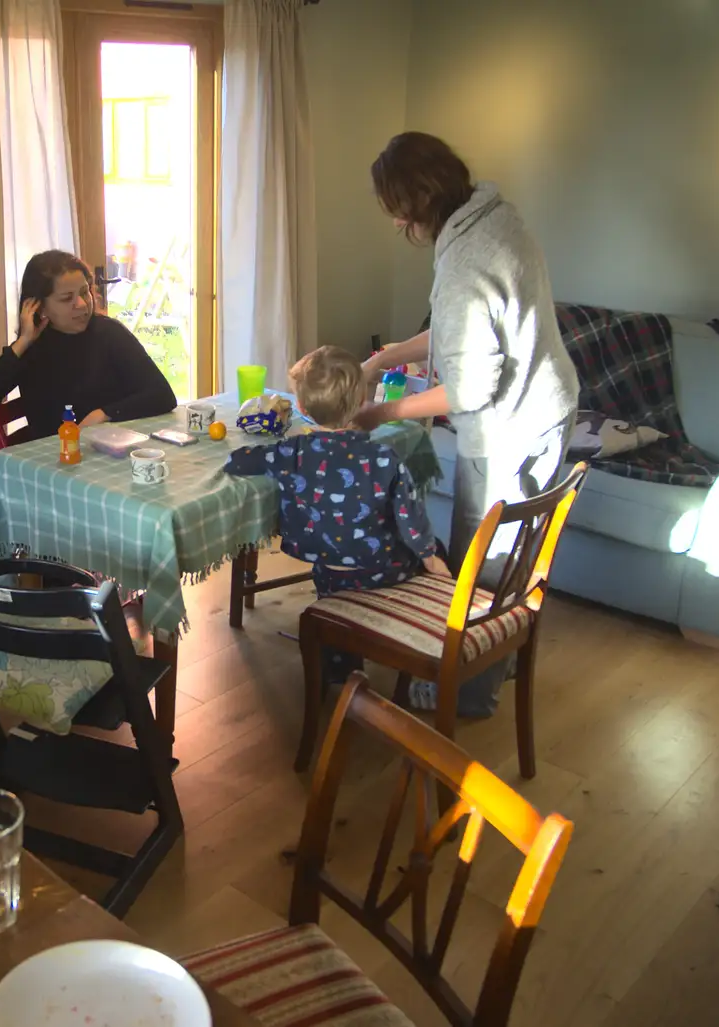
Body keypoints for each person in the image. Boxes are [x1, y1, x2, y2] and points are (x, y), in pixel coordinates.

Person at [357, 132, 579, 715]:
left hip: (514, 425)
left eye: (398, 211)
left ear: (417, 202)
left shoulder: (464, 259)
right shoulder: (492, 216)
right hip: (547, 404)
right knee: (506, 561)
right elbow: (459, 330)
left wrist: (381, 411)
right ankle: (492, 663)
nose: (399, 223)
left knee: (487, 561)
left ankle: (466, 691)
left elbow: (470, 389)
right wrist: (383, 358)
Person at [225, 346, 447, 686]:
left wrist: (238, 456)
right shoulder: (384, 457)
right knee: (441, 551)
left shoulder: (292, 451)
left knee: (332, 612)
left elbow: (240, 462)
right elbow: (410, 519)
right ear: (362, 401)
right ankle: (429, 657)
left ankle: (341, 679)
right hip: (384, 569)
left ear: (300, 407)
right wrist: (431, 559)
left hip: (331, 575)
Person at [0, 250, 177, 441]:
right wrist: (22, 342)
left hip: (109, 452)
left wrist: (104, 413)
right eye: (67, 298)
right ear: (39, 307)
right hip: (56, 461)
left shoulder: (109, 333)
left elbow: (162, 395)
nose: (82, 304)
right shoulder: (31, 348)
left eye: (84, 292)